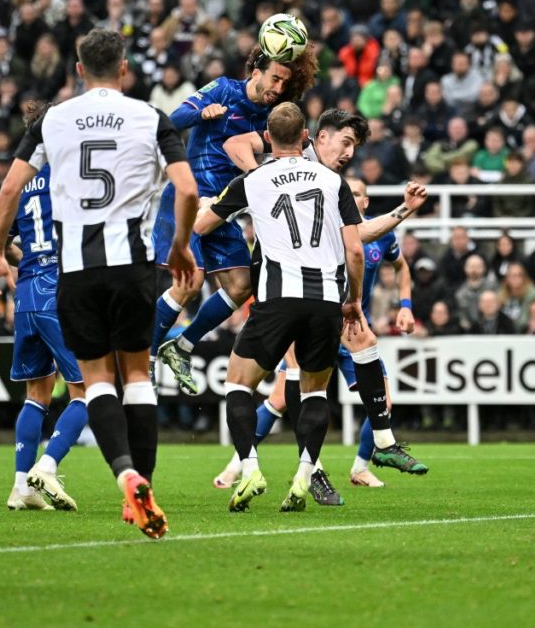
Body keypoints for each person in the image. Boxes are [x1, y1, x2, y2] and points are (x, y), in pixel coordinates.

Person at [0, 28, 198, 539]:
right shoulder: (149, 115)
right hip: (133, 266)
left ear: (79, 69)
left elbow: (10, 186)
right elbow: (186, 188)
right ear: (124, 69)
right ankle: (143, 484)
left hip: (73, 272)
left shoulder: (54, 118)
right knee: (137, 377)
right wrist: (182, 244)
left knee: (95, 381)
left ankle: (123, 474)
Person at [214, 112, 430, 495]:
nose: (349, 153)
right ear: (319, 136)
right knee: (291, 387)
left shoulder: (329, 179)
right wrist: (255, 175)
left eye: (355, 148)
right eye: (345, 142)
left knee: (361, 348)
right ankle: (305, 471)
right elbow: (234, 143)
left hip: (320, 290)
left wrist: (403, 210)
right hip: (288, 287)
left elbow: (358, 234)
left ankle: (377, 444)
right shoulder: (305, 168)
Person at [193, 102, 366, 512]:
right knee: (314, 390)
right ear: (307, 136)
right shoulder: (332, 180)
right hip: (325, 300)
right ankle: (305, 475)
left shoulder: (251, 180)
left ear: (267, 138)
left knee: (238, 384)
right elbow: (355, 250)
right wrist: (353, 299)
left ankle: (250, 467)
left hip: (276, 299)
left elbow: (201, 227)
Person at [152, 45, 316, 394]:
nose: (278, 87)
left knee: (243, 286)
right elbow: (169, 121)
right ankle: (144, 358)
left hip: (223, 207)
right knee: (189, 284)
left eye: (284, 82)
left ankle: (181, 345)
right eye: (274, 78)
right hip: (189, 196)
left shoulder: (272, 114)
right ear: (256, 72)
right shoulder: (224, 89)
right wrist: (199, 114)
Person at [3, 107, 89, 513]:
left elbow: (5, 243)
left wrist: (29, 260)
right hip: (60, 290)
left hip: (26, 293)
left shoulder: (19, 181)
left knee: (36, 394)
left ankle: (21, 487)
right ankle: (47, 466)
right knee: (87, 389)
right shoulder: (67, 171)